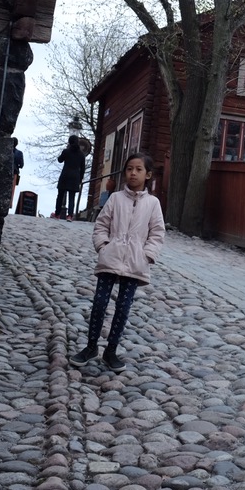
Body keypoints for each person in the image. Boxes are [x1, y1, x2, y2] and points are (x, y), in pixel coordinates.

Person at [69, 151, 165, 373]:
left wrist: (147, 255)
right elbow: (101, 225)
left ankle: (111, 351)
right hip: (110, 259)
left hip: (134, 263)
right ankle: (91, 347)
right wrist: (103, 246)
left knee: (122, 307)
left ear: (148, 174)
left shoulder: (153, 203)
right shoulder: (115, 199)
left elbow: (157, 232)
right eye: (129, 169)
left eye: (138, 169)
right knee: (100, 303)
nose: (133, 173)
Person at [53, 134, 86, 220]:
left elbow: (60, 160)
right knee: (72, 197)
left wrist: (66, 150)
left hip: (65, 175)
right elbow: (83, 168)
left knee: (60, 195)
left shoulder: (66, 151)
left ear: (69, 142)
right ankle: (70, 215)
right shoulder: (81, 154)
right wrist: (80, 179)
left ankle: (57, 214)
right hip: (75, 177)